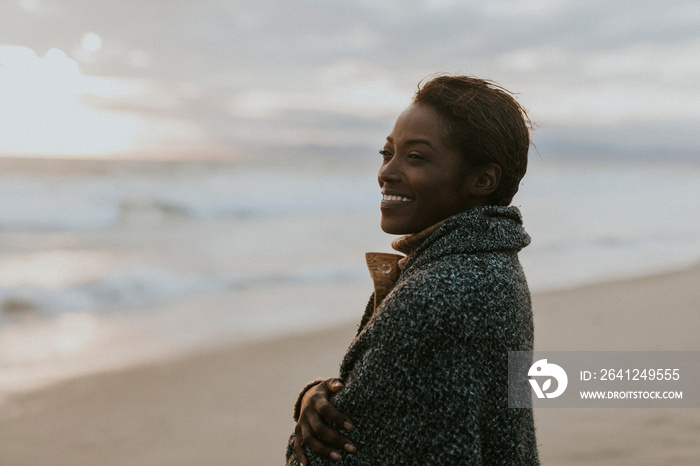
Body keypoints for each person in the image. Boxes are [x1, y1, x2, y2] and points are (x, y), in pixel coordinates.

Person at [286, 75, 539, 465]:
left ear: (482, 180)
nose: (387, 172)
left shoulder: (438, 294)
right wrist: (318, 394)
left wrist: (309, 425)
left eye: (416, 157)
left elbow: (334, 455)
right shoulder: (494, 267)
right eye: (387, 153)